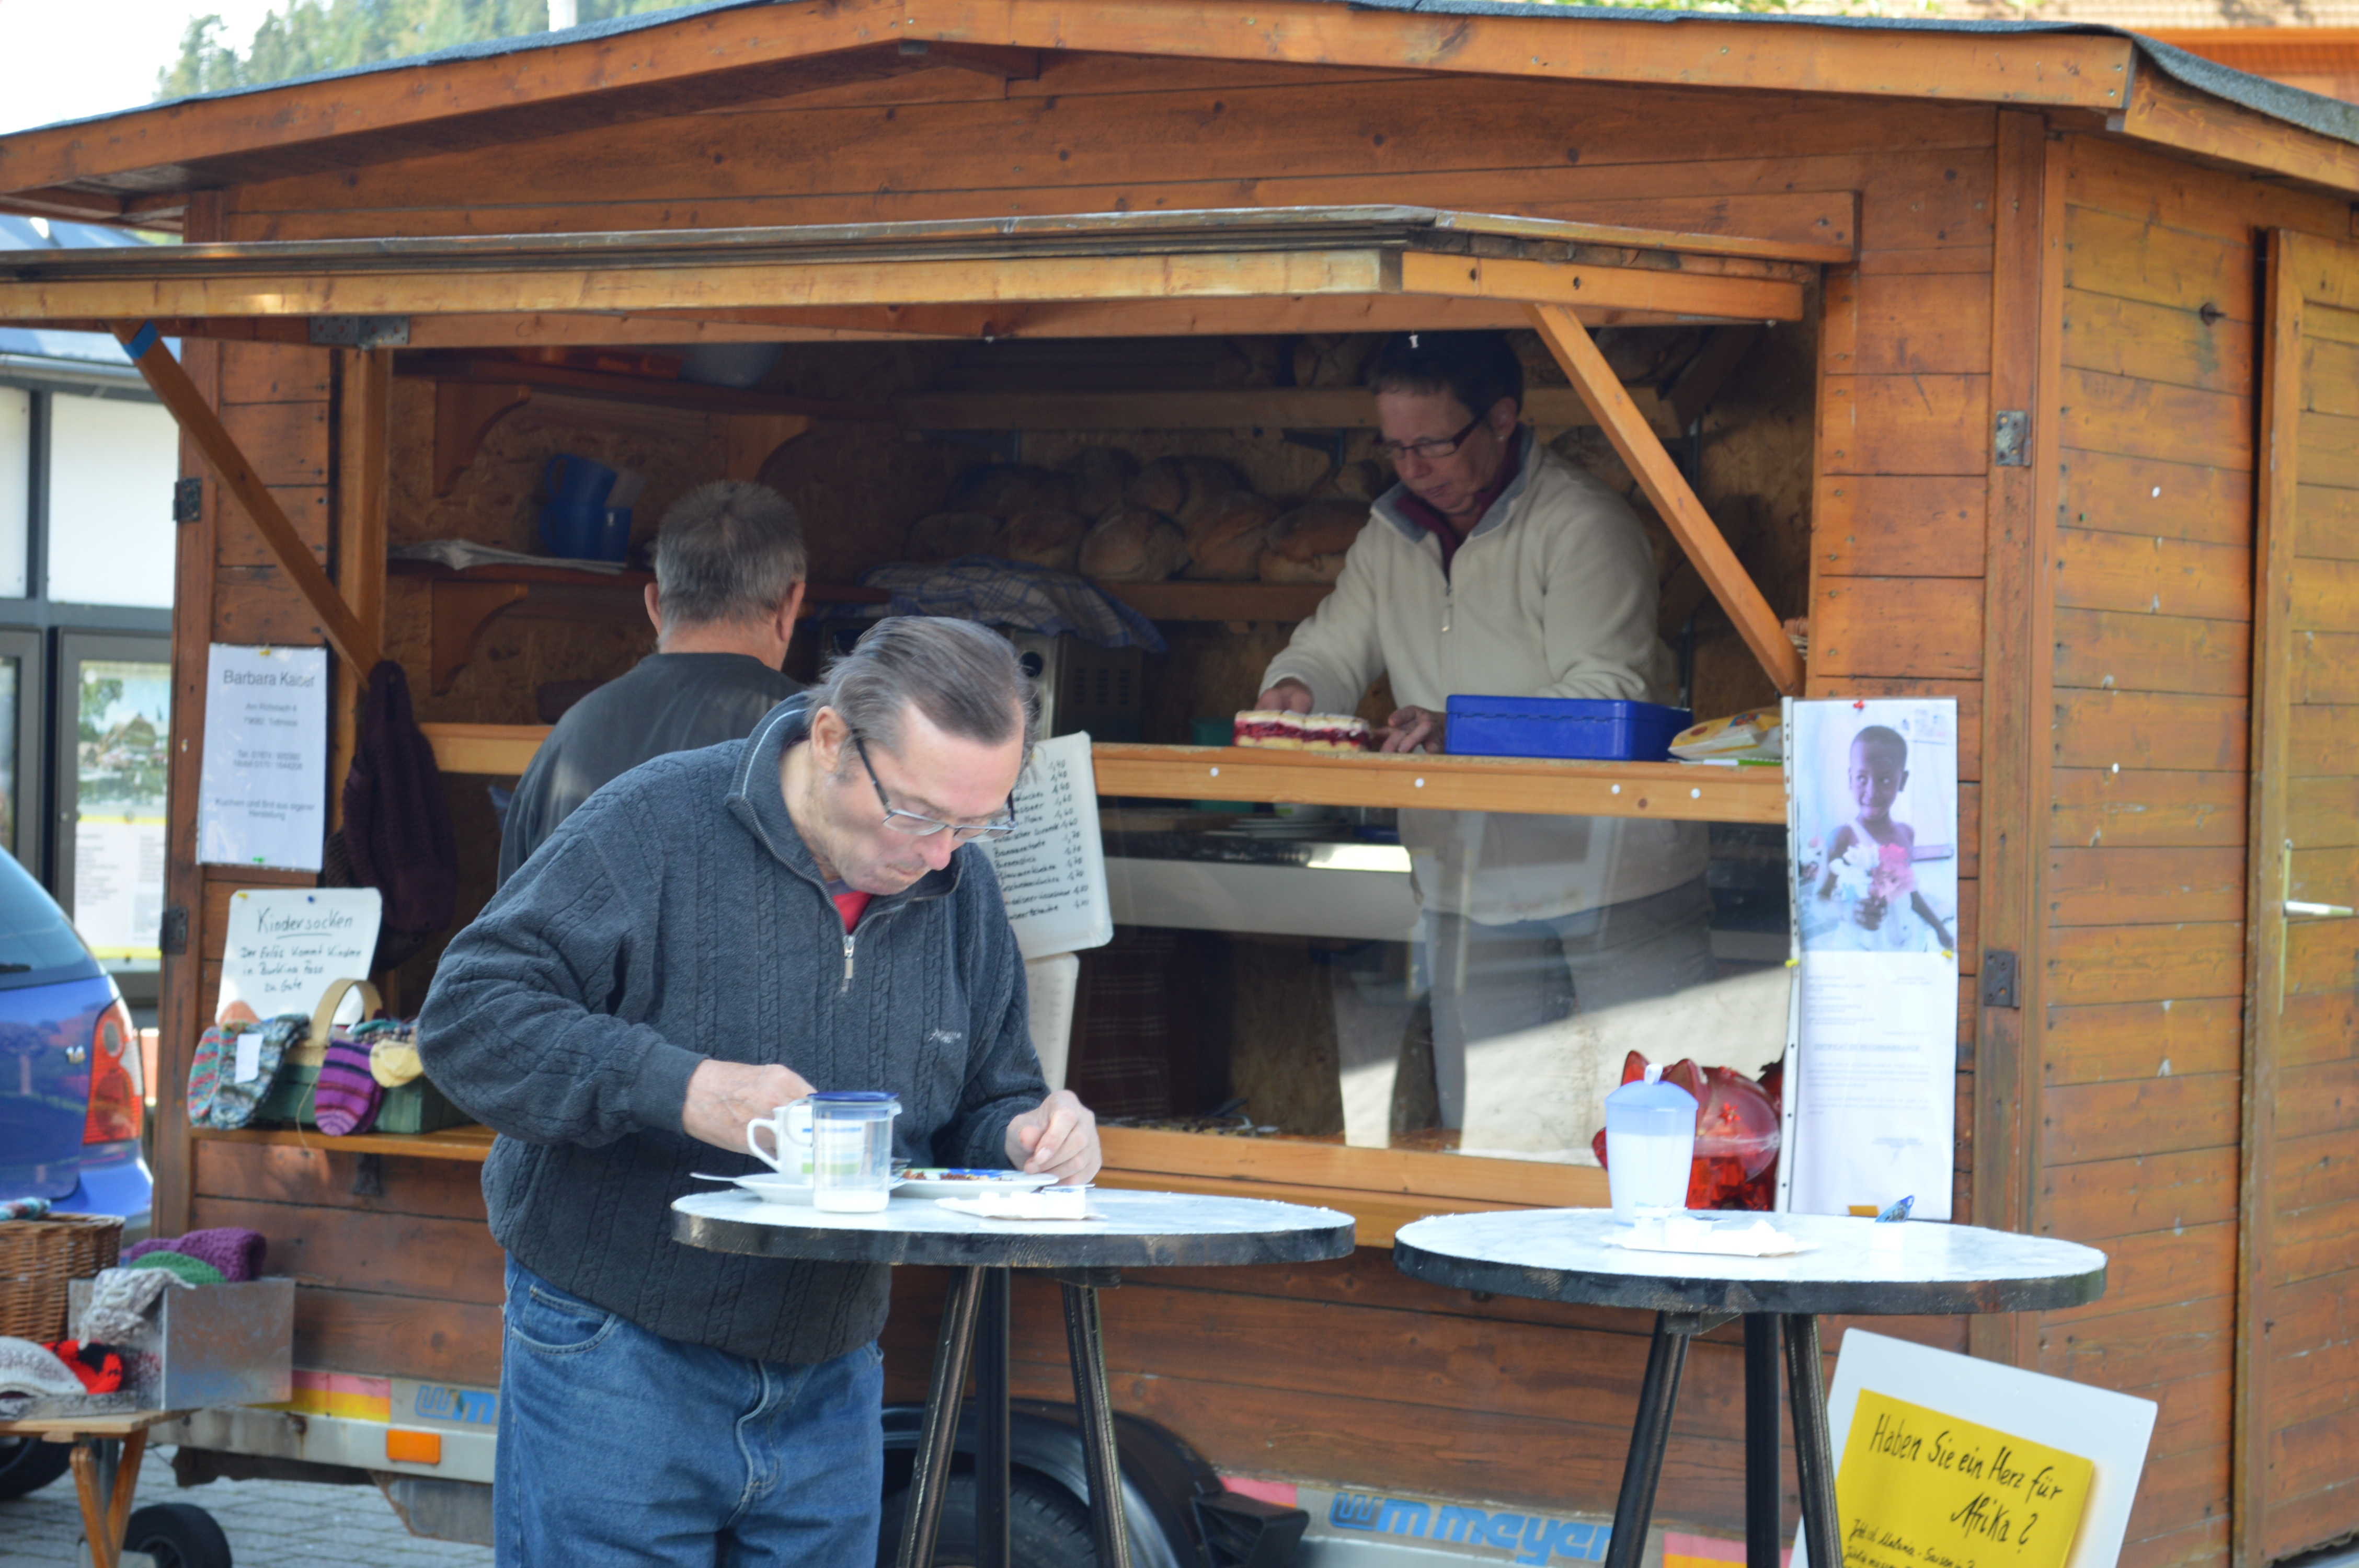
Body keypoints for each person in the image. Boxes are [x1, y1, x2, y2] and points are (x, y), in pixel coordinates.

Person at [417, 616, 1102, 1566]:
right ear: (830, 739)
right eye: (916, 814)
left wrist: (1030, 1138)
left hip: (832, 1373)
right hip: (616, 1354)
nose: (943, 854)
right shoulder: (653, 823)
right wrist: (683, 1087)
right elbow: (467, 1018)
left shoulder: (963, 892)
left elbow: (984, 1107)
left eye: (977, 823)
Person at [1253, 331, 1713, 1130]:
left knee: (1658, 1131)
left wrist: (1457, 728)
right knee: (1498, 1134)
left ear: (1503, 418)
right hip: (1466, 884)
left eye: (1432, 444)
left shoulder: (1582, 524)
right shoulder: (1387, 536)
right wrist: (1296, 687)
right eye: (1395, 446)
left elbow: (1609, 696)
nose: (1412, 468)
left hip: (1619, 881)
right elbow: (1330, 646)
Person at [496, 479, 810, 886]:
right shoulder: (816, 735)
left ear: (655, 604)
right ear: (791, 605)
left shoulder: (569, 736)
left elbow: (511, 917)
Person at [1816, 724, 1954, 951]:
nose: (1872, 791)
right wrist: (1846, 910)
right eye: (1862, 778)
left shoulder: (1906, 834)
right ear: (1850, 778)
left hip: (1905, 941)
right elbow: (1818, 901)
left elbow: (1909, 891)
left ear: (1903, 781)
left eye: (1885, 780)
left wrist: (1939, 928)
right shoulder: (1841, 838)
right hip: (1862, 947)